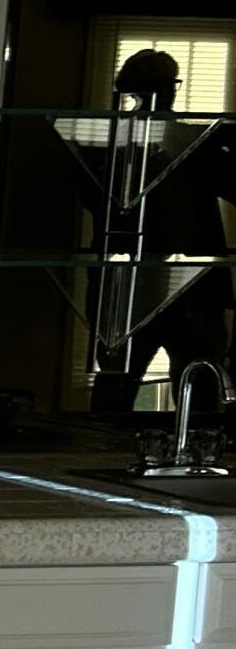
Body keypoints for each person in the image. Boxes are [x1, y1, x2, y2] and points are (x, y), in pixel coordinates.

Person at [89, 46, 236, 413]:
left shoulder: (103, 142)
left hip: (130, 282)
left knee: (120, 385)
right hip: (180, 285)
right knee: (196, 386)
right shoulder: (191, 144)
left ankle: (101, 458)